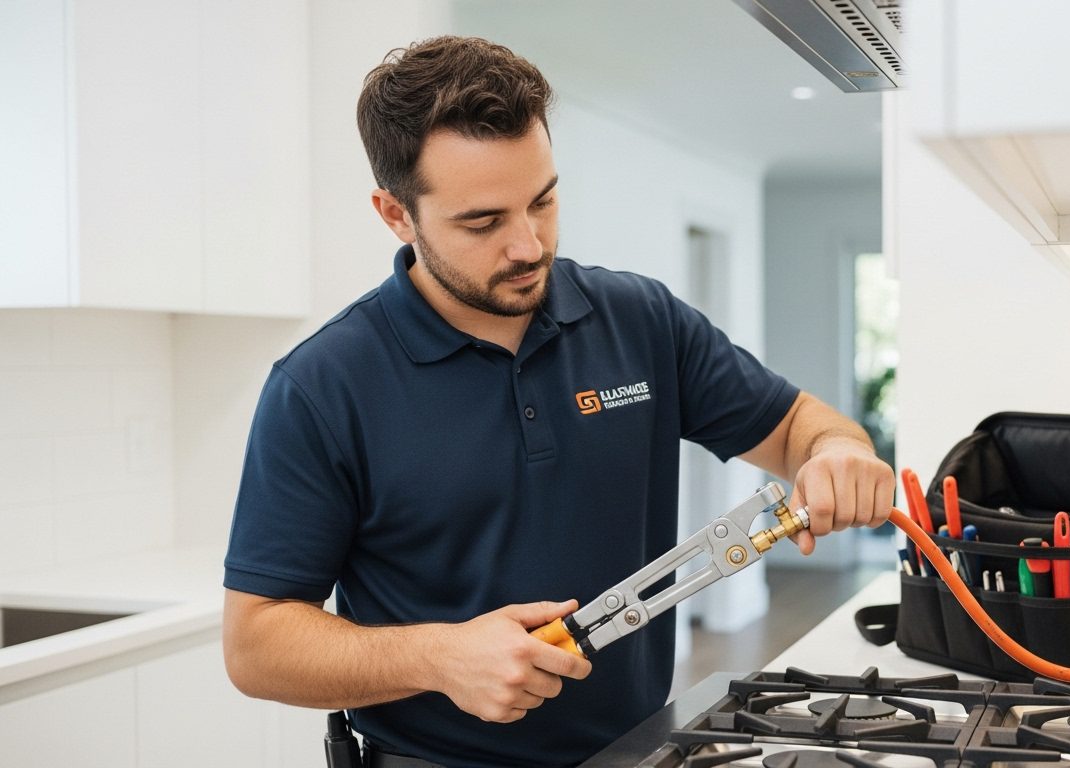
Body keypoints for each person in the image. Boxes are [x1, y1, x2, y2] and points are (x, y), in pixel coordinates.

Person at [221, 35, 894, 768]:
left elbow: (799, 426)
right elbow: (255, 644)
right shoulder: (322, 386)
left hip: (643, 749)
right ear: (396, 214)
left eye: (542, 201)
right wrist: (438, 657)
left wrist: (840, 453)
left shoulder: (640, 320)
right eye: (483, 222)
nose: (527, 245)